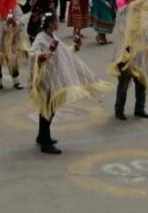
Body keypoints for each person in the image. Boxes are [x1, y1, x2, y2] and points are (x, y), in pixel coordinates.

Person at [29, 11, 110, 154]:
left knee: (49, 110)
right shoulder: (41, 38)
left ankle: (42, 137)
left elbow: (63, 51)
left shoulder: (52, 36)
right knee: (47, 110)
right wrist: (41, 56)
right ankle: (45, 143)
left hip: (52, 79)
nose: (56, 23)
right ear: (49, 24)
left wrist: (75, 46)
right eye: (54, 21)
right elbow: (32, 54)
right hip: (45, 80)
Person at [109, 0, 148, 120]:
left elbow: (145, 37)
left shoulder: (139, 16)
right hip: (124, 55)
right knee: (123, 85)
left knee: (141, 82)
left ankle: (140, 108)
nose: (135, 1)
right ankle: (119, 110)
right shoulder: (122, 12)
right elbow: (132, 7)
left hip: (139, 56)